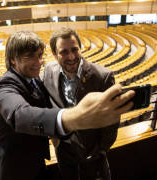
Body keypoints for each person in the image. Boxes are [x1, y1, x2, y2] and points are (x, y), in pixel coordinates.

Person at [0, 30, 134, 180]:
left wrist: (101, 150)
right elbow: (20, 114)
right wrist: (73, 118)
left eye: (39, 55)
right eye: (30, 57)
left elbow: (112, 120)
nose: (38, 62)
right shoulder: (4, 86)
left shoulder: (35, 78)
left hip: (84, 155)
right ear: (13, 59)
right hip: (16, 168)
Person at [41, 27, 120, 180]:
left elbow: (113, 120)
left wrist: (101, 150)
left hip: (92, 153)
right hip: (63, 150)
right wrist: (53, 136)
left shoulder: (102, 76)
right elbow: (46, 102)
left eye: (74, 49)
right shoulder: (49, 70)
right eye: (63, 52)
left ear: (80, 48)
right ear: (54, 54)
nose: (71, 56)